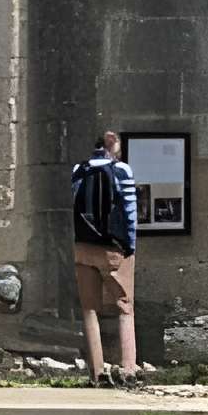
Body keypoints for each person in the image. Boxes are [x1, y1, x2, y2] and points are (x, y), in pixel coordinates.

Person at [71, 129, 140, 385]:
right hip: (113, 247)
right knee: (124, 307)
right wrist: (129, 247)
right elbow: (130, 211)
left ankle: (97, 372)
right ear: (113, 144)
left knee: (89, 309)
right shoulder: (122, 170)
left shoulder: (78, 169)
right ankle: (129, 369)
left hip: (83, 246)